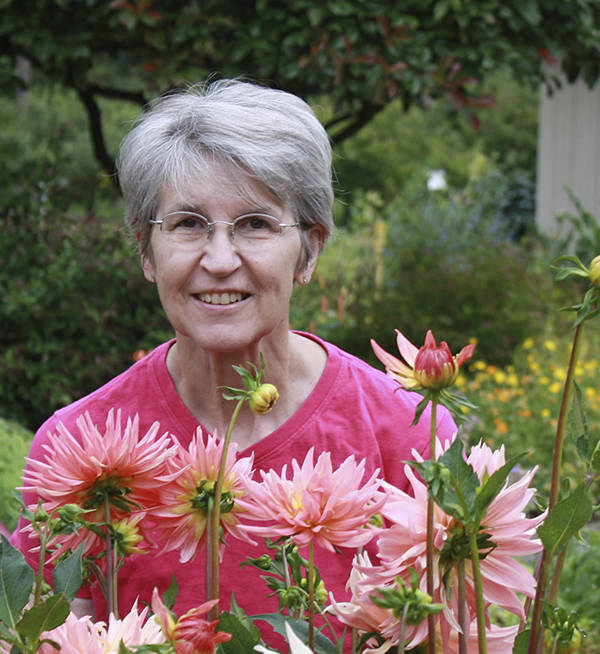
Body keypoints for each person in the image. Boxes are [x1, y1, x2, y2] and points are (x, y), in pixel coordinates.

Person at [14, 79, 456, 632]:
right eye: (187, 224)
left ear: (310, 250)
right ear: (145, 252)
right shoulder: (75, 450)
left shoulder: (405, 433)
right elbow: (46, 637)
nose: (220, 259)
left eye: (255, 224)